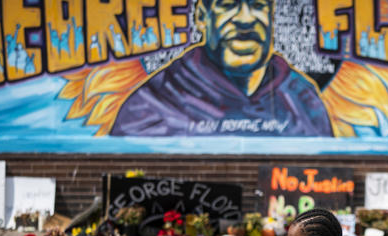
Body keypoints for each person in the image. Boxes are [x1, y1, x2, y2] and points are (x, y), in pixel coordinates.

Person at [110, 0, 332, 137]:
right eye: (227, 5)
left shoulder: (302, 98)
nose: (246, 19)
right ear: (201, 18)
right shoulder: (153, 103)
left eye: (258, 6)